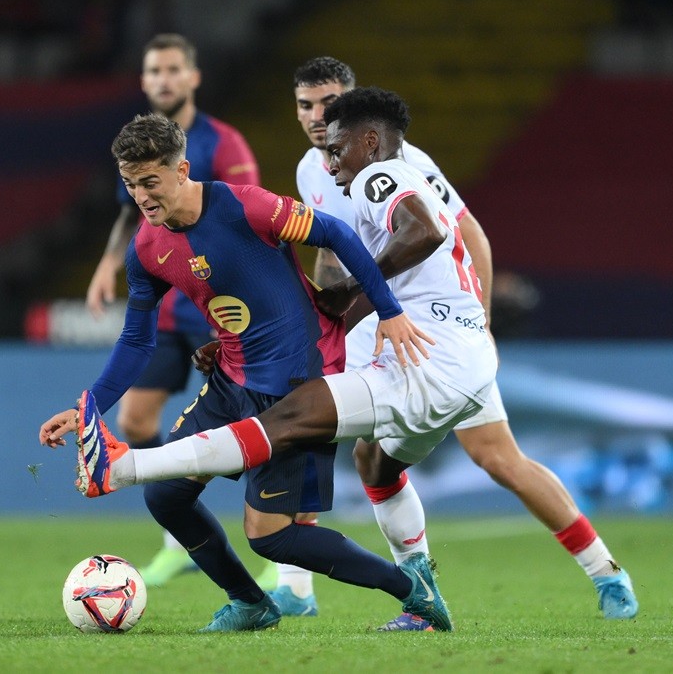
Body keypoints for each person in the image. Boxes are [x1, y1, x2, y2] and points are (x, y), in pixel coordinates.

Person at [41, 89, 502, 633]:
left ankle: (410, 588)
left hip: (298, 381)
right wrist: (89, 404)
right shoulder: (146, 249)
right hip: (232, 379)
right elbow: (137, 341)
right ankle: (250, 602)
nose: (141, 196)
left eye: (150, 182)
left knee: (271, 534)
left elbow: (334, 234)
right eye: (131, 184)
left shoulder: (244, 206)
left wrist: (388, 309)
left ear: (181, 170)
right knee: (167, 497)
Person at [289, 57, 639, 621]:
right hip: (390, 326)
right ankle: (302, 585)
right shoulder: (317, 170)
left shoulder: (400, 162)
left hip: (437, 334)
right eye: (305, 105)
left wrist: (479, 321)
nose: (315, 116)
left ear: (357, 107)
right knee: (358, 448)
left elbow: (463, 232)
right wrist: (326, 307)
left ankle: (606, 574)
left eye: (328, 104)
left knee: (494, 459)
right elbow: (332, 249)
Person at [84, 33, 261, 588]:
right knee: (135, 421)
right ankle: (178, 541)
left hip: (218, 312)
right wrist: (107, 265)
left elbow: (247, 223)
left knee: (260, 431)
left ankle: (283, 561)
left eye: (171, 69)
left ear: (192, 77)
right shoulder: (138, 147)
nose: (162, 79)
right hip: (165, 313)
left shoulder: (224, 145)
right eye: (153, 70)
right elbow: (127, 216)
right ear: (143, 80)